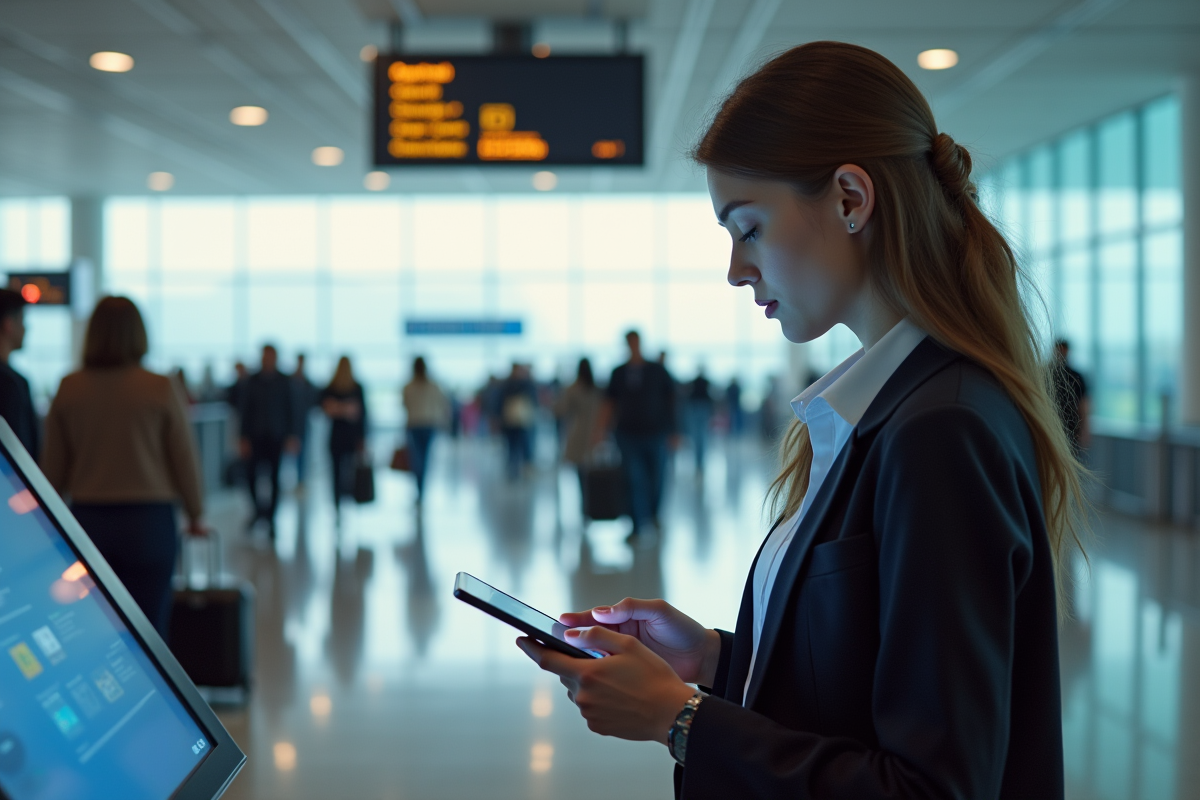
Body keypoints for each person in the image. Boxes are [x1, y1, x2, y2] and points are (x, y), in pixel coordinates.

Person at [518, 42, 1086, 800]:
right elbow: (861, 678)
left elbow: (930, 787)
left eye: (748, 228)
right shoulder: (883, 410)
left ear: (851, 199)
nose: (735, 268)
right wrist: (719, 660)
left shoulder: (941, 432)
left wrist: (680, 720)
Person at [41, 297, 206, 637]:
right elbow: (183, 457)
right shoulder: (159, 386)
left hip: (88, 522)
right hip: (149, 523)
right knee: (149, 630)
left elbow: (51, 471)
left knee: (93, 629)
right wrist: (195, 513)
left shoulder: (70, 386)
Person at [593, 331, 677, 535]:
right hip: (627, 434)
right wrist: (600, 431)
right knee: (633, 478)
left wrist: (674, 431)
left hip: (655, 433)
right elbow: (609, 403)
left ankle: (652, 514)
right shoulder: (619, 372)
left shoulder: (657, 370)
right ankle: (637, 523)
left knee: (656, 478)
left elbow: (671, 401)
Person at [239, 344, 298, 537]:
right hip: (255, 436)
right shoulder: (252, 380)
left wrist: (292, 435)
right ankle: (258, 513)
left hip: (276, 436)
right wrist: (243, 437)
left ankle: (271, 519)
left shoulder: (284, 381)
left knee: (274, 479)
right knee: (251, 477)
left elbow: (291, 409)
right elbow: (245, 410)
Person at [320, 356, 367, 520]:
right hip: (343, 437)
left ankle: (344, 502)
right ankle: (339, 503)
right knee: (338, 472)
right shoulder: (332, 387)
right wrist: (346, 409)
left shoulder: (354, 387)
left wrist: (337, 408)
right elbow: (325, 408)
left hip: (346, 437)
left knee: (346, 473)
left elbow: (360, 414)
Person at [555, 358, 604, 496]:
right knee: (593, 467)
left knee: (581, 469)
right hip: (595, 430)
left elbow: (561, 409)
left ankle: (586, 500)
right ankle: (592, 500)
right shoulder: (597, 389)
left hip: (579, 430)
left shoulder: (573, 389)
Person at [401, 356, 447, 502]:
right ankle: (421, 490)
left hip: (414, 424)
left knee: (417, 458)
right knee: (425, 458)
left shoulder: (408, 386)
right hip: (429, 424)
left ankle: (419, 489)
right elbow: (441, 404)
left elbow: (404, 405)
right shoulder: (434, 386)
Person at [0, 289, 38, 458]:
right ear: (9, 324)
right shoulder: (12, 384)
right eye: (22, 320)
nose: (26, 328)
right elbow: (24, 454)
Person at [498, 362, 537, 480]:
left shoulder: (523, 383)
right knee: (513, 446)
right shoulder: (512, 384)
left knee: (523, 445)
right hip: (511, 421)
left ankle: (523, 469)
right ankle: (513, 470)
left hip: (522, 421)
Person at [1051, 338, 1090, 454]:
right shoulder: (1048, 374)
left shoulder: (1076, 376)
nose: (1061, 354)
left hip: (1071, 428)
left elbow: (1083, 404)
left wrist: (1085, 428)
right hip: (1053, 424)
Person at [290, 353, 319, 491]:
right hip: (288, 425)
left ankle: (300, 481)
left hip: (302, 424)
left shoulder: (308, 384)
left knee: (302, 455)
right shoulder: (290, 381)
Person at [684, 369, 714, 474]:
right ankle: (699, 462)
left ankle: (699, 462)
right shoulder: (704, 382)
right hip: (700, 408)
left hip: (697, 408)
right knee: (700, 436)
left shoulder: (696, 382)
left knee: (698, 436)